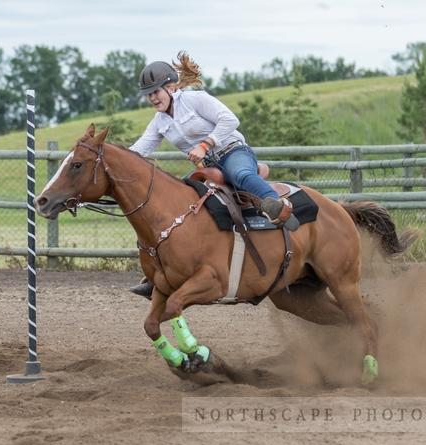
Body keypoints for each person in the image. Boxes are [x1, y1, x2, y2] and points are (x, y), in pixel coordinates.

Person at [128, 52, 299, 298]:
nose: (152, 98)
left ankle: (278, 206)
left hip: (232, 151)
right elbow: (140, 149)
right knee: (179, 203)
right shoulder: (159, 122)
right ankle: (159, 273)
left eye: (156, 91)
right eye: (149, 94)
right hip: (208, 169)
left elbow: (230, 120)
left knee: (239, 174)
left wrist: (206, 144)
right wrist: (116, 159)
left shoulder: (195, 99)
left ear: (171, 87)